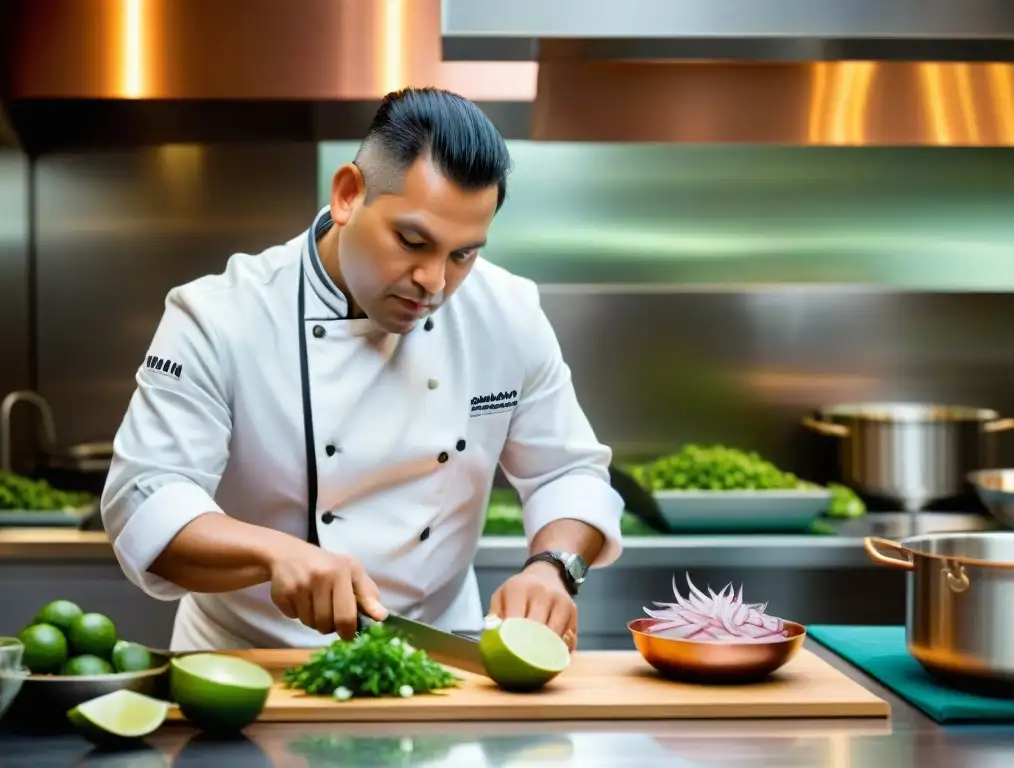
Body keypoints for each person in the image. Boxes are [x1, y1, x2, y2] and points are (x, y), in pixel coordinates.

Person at [101, 87, 624, 652]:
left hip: (439, 662)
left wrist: (553, 567)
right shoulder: (219, 316)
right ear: (349, 194)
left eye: (463, 254)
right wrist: (275, 554)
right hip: (251, 665)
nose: (435, 282)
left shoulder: (507, 312)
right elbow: (145, 499)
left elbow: (568, 474)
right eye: (412, 241)